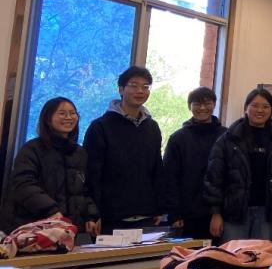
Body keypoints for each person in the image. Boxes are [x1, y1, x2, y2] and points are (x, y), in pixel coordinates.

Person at [6, 97, 99, 241]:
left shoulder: (79, 152)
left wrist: (90, 216)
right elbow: (23, 184)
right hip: (36, 229)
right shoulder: (32, 149)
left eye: (72, 113)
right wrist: (51, 210)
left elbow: (84, 190)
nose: (68, 117)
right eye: (62, 113)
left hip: (72, 231)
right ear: (48, 118)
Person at [83, 66, 163, 231]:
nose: (140, 91)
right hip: (110, 216)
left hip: (146, 214)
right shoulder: (100, 126)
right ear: (121, 89)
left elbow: (157, 168)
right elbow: (92, 173)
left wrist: (160, 206)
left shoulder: (152, 127)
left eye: (145, 86)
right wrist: (93, 213)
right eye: (134, 85)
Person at [204, 88, 272, 241]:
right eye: (255, 105)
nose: (260, 110)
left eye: (265, 106)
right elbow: (214, 178)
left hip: (267, 213)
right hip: (234, 213)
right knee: (233, 254)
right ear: (245, 108)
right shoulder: (228, 139)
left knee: (263, 254)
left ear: (271, 110)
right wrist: (216, 213)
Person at [161, 86, 226, 239]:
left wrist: (219, 212)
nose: (202, 108)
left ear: (214, 104)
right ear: (190, 106)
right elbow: (170, 177)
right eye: (197, 104)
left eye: (207, 103)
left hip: (219, 212)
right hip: (187, 213)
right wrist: (174, 212)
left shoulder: (226, 136)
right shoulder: (178, 138)